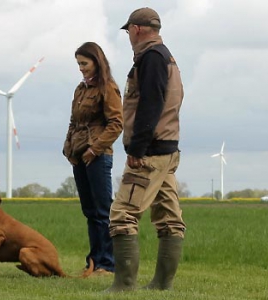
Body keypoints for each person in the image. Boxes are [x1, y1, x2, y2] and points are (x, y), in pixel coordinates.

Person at [106, 7, 185, 292]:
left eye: (128, 31)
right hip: (168, 150)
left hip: (150, 152)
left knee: (123, 214)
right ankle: (162, 286)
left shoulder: (151, 58)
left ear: (136, 29)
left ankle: (123, 286)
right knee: (169, 217)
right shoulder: (167, 57)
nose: (128, 37)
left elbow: (150, 104)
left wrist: (137, 148)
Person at [62, 42, 123, 276]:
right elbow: (73, 123)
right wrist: (69, 150)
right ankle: (94, 262)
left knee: (101, 212)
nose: (81, 68)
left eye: (84, 63)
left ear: (97, 62)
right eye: (78, 64)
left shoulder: (107, 88)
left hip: (98, 157)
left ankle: (107, 264)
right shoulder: (80, 89)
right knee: (89, 211)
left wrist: (94, 150)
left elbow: (116, 124)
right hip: (79, 156)